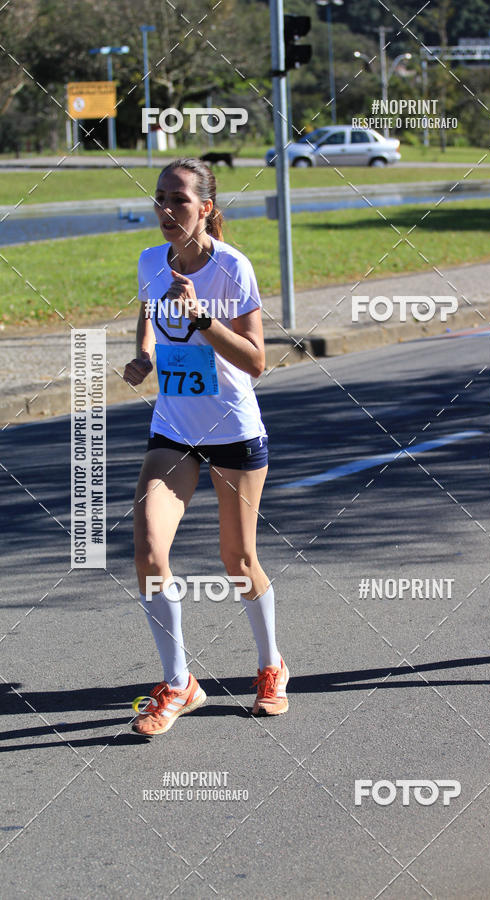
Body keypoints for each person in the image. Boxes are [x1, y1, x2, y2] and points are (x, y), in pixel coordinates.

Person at [123, 158, 288, 735]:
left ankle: (271, 667)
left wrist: (203, 321)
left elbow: (256, 360)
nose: (167, 210)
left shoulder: (232, 268)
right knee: (147, 550)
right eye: (160, 198)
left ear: (206, 209)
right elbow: (149, 312)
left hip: (233, 431)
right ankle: (178, 683)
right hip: (173, 430)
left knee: (238, 561)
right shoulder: (150, 260)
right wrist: (145, 354)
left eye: (180, 200)